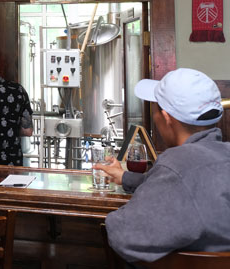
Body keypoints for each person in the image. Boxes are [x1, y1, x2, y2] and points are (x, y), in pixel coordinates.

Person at [95, 68, 230, 263]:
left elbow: (123, 236)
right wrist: (125, 177)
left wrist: (113, 219)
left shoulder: (176, 162)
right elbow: (194, 185)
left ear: (166, 118)